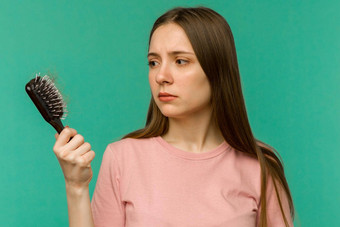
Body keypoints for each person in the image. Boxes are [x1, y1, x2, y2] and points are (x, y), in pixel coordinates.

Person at [53, 6, 295, 227]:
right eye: (154, 62)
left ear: (217, 70)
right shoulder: (122, 158)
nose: (161, 76)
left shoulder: (260, 167)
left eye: (180, 61)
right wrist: (76, 187)